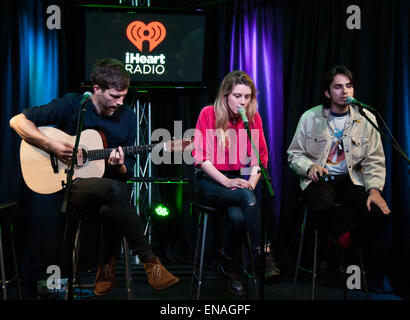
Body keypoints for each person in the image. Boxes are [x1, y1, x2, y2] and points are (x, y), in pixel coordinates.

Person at [9, 58, 179, 296]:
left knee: (114, 198)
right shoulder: (73, 105)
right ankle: (148, 262)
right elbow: (17, 121)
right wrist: (51, 145)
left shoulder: (128, 117)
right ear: (96, 89)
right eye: (114, 96)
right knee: (116, 192)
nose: (120, 102)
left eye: (124, 96)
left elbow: (127, 168)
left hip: (111, 191)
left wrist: (118, 165)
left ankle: (108, 264)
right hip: (72, 185)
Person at [287, 65, 391, 271]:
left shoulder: (367, 118)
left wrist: (375, 189)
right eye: (338, 87)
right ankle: (335, 244)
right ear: (327, 92)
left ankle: (347, 246)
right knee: (322, 203)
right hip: (321, 179)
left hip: (352, 179)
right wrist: (310, 168)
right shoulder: (310, 117)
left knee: (380, 215)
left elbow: (375, 160)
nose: (345, 91)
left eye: (349, 86)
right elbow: (294, 155)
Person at [192, 70, 280, 296]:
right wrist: (228, 182)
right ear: (225, 96)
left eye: (247, 97)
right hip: (211, 180)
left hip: (240, 181)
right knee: (245, 197)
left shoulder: (252, 119)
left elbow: (260, 158)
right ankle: (264, 254)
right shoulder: (208, 114)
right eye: (237, 96)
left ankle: (228, 264)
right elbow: (200, 158)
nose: (243, 102)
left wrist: (250, 183)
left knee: (240, 216)